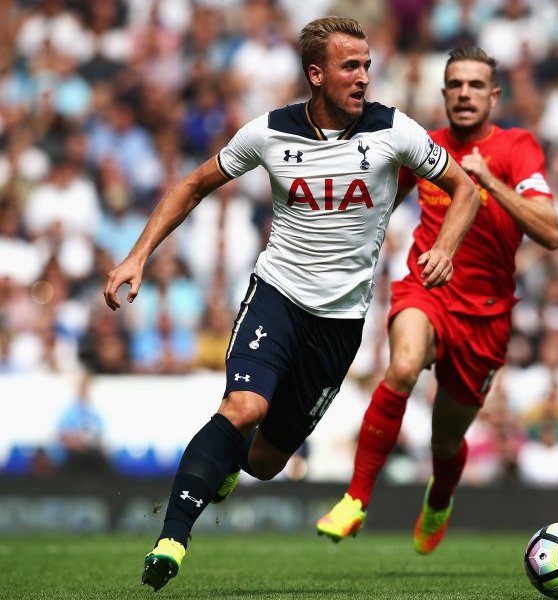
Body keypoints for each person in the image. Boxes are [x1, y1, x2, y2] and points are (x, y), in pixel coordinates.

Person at [102, 16, 479, 591]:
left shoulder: (393, 131)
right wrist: (137, 256)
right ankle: (172, 538)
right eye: (350, 66)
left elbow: (465, 189)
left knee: (264, 461)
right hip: (276, 296)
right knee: (243, 407)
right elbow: (193, 184)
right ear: (316, 74)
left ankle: (228, 464)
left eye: (366, 65)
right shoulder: (268, 133)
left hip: (340, 323)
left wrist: (447, 245)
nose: (363, 77)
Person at [315, 45, 558, 554]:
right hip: (427, 287)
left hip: (486, 316)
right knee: (401, 367)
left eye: (475, 85)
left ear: (493, 96)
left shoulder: (518, 148)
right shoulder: (425, 146)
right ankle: (356, 500)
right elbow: (379, 203)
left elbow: (551, 231)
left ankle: (441, 494)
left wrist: (488, 179)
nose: (465, 94)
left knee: (445, 441)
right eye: (456, 85)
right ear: (444, 93)